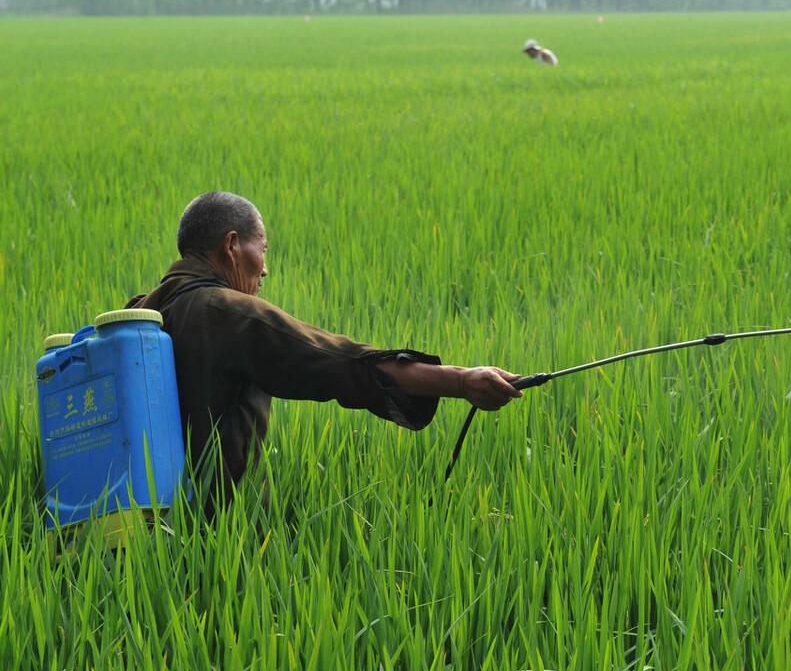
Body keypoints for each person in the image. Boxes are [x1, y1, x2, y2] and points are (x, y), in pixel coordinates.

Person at [127, 192, 522, 508]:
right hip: (219, 533)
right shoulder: (229, 313)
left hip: (145, 526)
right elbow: (340, 363)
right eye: (262, 249)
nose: (264, 268)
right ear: (232, 246)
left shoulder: (139, 316)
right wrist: (463, 381)